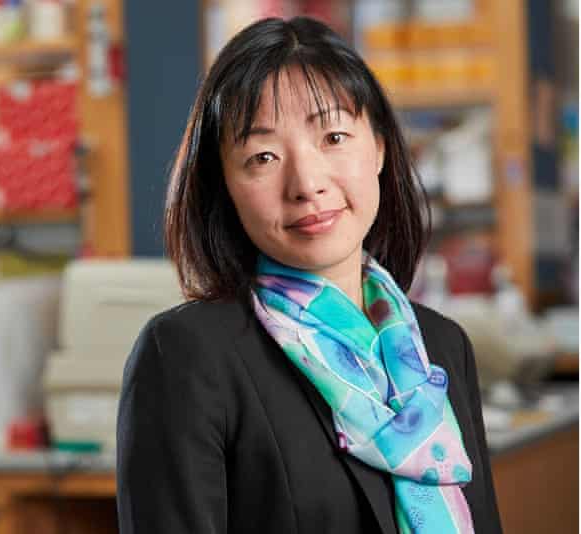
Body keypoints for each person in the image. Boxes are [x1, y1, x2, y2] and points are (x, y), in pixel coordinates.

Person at [116, 16, 502, 534]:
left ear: (381, 146)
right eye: (264, 156)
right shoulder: (188, 356)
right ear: (224, 184)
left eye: (334, 136)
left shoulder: (443, 346)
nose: (307, 183)